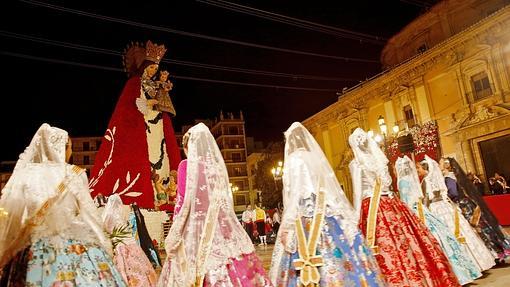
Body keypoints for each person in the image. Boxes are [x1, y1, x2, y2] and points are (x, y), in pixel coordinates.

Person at [0, 123, 126, 286]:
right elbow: (89, 215)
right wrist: (104, 243)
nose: (71, 152)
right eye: (70, 147)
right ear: (62, 148)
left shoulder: (26, 174)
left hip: (32, 250)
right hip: (73, 247)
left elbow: (13, 216)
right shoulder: (75, 173)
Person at [270, 123, 384, 286]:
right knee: (341, 251)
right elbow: (327, 187)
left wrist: (287, 225)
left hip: (303, 213)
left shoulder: (293, 159)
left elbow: (293, 194)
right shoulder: (314, 156)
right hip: (325, 210)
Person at [158, 123, 271, 286]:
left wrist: (175, 231)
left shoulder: (186, 166)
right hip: (219, 227)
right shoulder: (216, 168)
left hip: (195, 231)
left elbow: (182, 202)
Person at [349, 128, 459, 286]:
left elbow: (357, 192)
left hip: (371, 207)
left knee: (382, 247)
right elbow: (387, 184)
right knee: (406, 241)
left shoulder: (356, 164)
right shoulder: (379, 161)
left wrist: (354, 219)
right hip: (391, 203)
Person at [89, 40, 181, 211]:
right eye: (151, 68)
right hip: (142, 126)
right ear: (144, 67)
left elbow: (163, 102)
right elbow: (133, 107)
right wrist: (150, 103)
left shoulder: (155, 85)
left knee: (161, 157)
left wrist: (162, 94)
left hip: (158, 127)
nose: (154, 71)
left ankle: (162, 193)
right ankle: (151, 191)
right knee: (148, 158)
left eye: (155, 69)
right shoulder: (134, 85)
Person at [396, 156, 481, 285]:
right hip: (439, 207)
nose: (417, 170)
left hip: (426, 208)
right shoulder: (427, 179)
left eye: (419, 167)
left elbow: (421, 199)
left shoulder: (415, 181)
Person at [418, 156, 496, 271]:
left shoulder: (426, 180)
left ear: (425, 169)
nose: (417, 170)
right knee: (460, 231)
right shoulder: (437, 178)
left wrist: (422, 210)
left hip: (436, 209)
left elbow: (426, 199)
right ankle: (476, 263)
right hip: (446, 207)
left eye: (419, 168)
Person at [447, 158, 510, 261]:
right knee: (483, 227)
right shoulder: (457, 178)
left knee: (478, 229)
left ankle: (495, 251)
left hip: (465, 206)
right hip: (470, 204)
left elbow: (454, 193)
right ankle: (497, 250)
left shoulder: (450, 178)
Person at [102, 194, 157, 286]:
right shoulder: (123, 212)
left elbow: (105, 227)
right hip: (129, 242)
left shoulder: (107, 215)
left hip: (118, 242)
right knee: (138, 263)